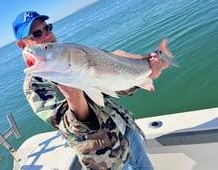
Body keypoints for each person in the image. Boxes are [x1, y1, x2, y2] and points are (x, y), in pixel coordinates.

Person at [12, 11, 168, 170]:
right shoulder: (35, 86)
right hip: (105, 158)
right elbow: (73, 130)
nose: (47, 35)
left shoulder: (74, 54)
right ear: (22, 45)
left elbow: (112, 87)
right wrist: (74, 96)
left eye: (48, 28)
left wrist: (145, 76)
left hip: (127, 129)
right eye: (37, 33)